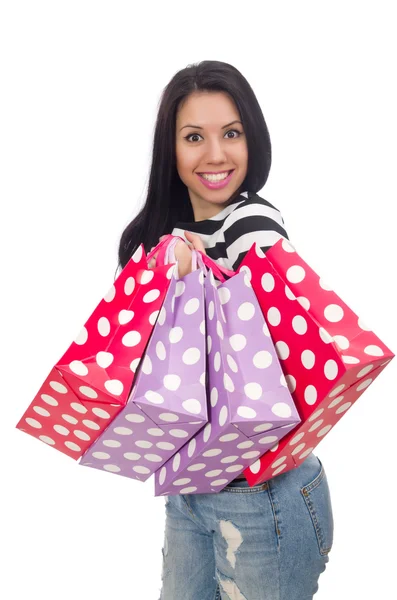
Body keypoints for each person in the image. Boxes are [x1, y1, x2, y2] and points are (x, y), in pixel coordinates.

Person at [117, 60, 334, 600]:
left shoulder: (252, 224)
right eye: (194, 137)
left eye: (231, 134)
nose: (215, 155)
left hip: (264, 495)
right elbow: (138, 364)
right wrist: (163, 269)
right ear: (171, 149)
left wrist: (197, 281)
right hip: (187, 490)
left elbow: (268, 352)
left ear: (251, 139)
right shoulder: (153, 237)